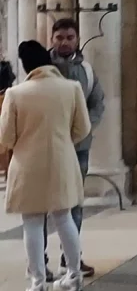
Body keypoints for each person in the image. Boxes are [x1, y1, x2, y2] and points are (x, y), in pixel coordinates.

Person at [0, 41, 91, 291]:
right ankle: (74, 275)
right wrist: (62, 141)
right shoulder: (71, 88)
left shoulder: (16, 94)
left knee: (31, 222)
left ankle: (37, 281)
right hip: (62, 161)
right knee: (64, 218)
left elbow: (5, 137)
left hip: (27, 164)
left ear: (25, 65)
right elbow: (83, 129)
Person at [45, 19, 106, 279]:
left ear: (77, 39)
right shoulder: (41, 68)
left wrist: (82, 130)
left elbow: (97, 103)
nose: (64, 42)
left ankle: (70, 259)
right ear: (52, 39)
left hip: (78, 148)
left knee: (75, 203)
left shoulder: (87, 71)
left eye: (70, 37)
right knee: (42, 204)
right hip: (48, 146)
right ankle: (39, 261)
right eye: (59, 37)